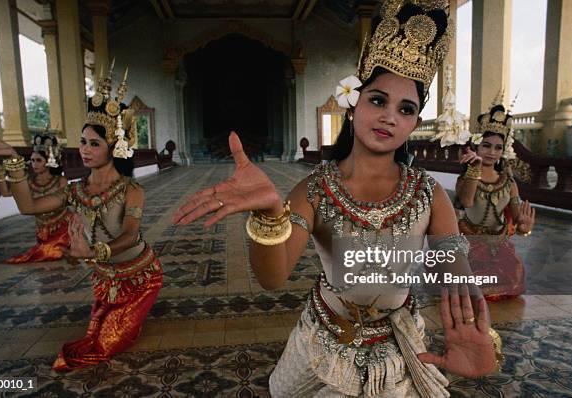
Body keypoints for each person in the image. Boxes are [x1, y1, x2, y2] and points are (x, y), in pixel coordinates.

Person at [173, 1, 501, 396]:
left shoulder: (428, 193)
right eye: (378, 100)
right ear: (352, 106)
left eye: (406, 108)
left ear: (414, 122)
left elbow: (454, 270)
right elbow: (272, 277)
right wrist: (270, 215)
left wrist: (472, 324)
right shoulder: (314, 190)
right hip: (327, 342)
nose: (390, 116)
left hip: (399, 346)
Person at [0, 65, 163, 372]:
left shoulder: (131, 189)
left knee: (102, 347)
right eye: (83, 142)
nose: (85, 150)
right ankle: (127, 321)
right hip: (105, 281)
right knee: (92, 339)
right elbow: (28, 206)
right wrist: (12, 163)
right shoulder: (75, 191)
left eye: (94, 144)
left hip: (141, 277)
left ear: (113, 147)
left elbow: (130, 234)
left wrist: (93, 252)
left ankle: (133, 319)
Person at [456, 97, 535, 301]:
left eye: (498, 148)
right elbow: (466, 202)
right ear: (476, 147)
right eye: (486, 146)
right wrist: (474, 168)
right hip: (470, 243)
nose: (492, 152)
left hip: (498, 245)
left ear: (503, 151)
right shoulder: (466, 178)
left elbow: (517, 220)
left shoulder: (509, 182)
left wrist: (524, 228)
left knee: (512, 279)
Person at [0, 134, 73, 264]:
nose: (34, 164)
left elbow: (62, 203)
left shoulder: (60, 181)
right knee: (43, 253)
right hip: (43, 231)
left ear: (49, 161)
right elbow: (6, 193)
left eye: (38, 160)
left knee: (53, 253)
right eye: (32, 160)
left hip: (62, 228)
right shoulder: (30, 182)